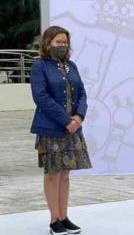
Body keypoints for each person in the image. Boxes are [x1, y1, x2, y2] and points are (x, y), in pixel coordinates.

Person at [30, 25, 92, 235]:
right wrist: (66, 120)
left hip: (73, 129)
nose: (62, 46)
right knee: (53, 174)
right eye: (58, 42)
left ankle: (64, 217)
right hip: (52, 128)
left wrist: (78, 117)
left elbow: (82, 93)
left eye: (65, 42)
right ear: (48, 44)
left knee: (65, 174)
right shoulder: (39, 66)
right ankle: (54, 219)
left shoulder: (71, 66)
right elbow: (41, 97)